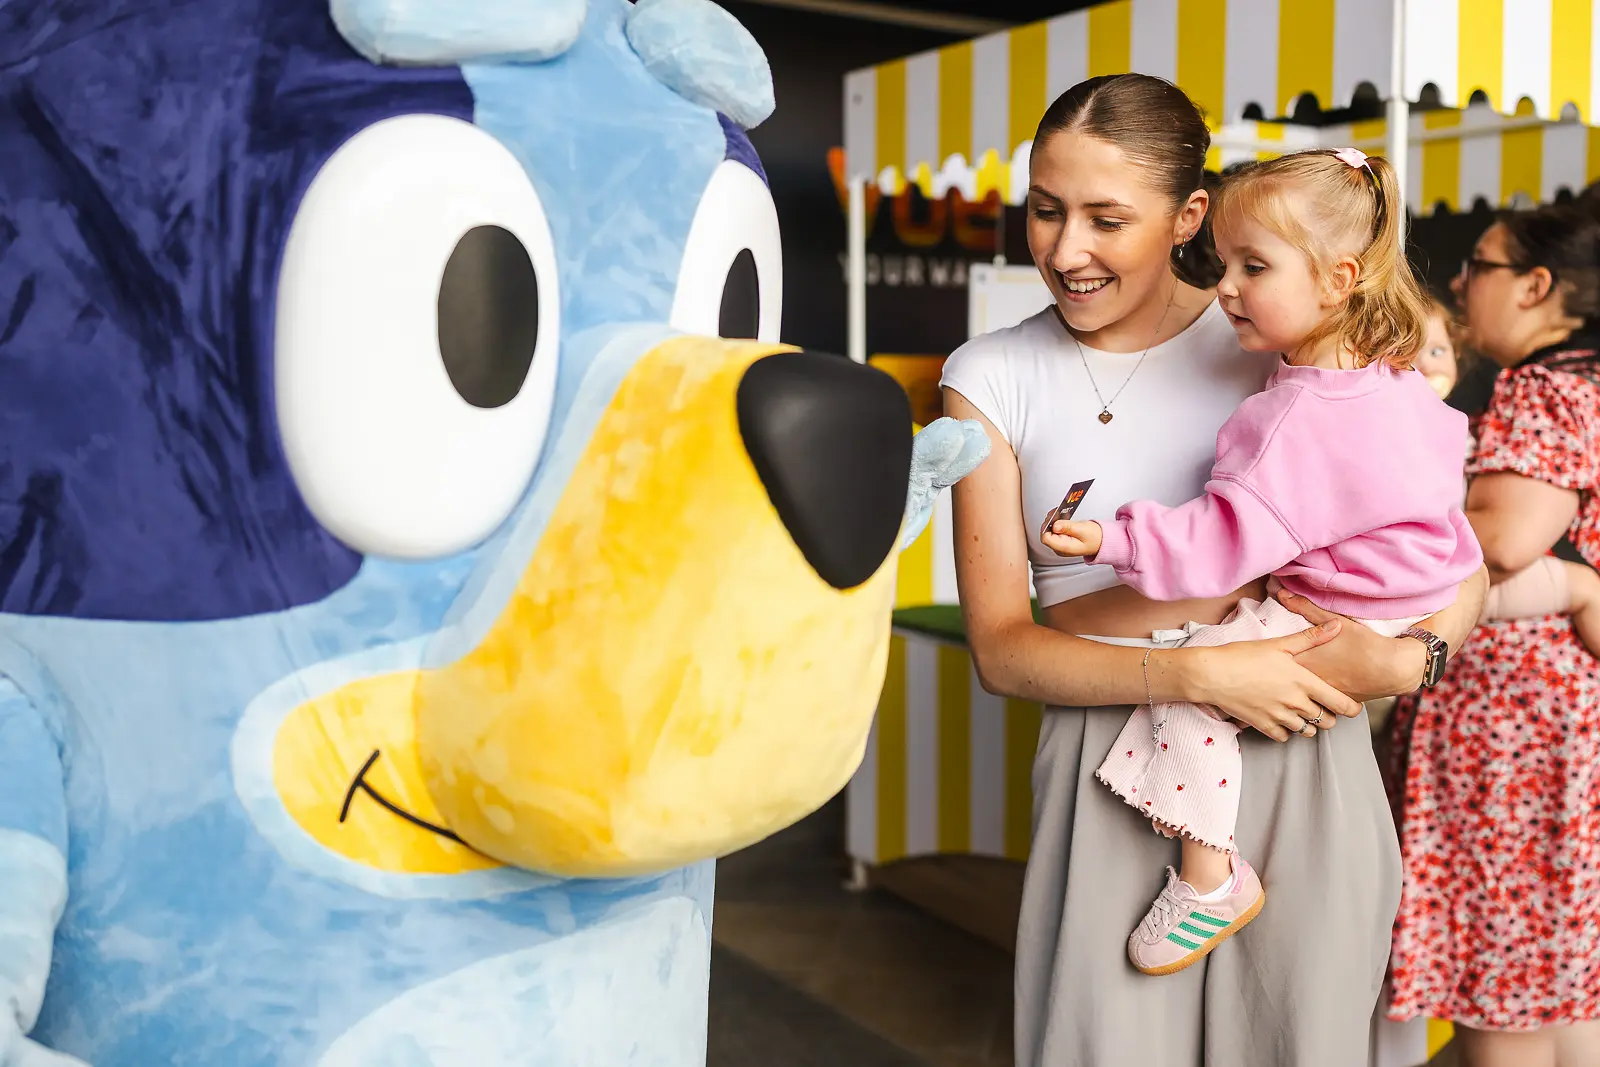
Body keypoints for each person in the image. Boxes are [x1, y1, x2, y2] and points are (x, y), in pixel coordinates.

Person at [939, 72, 1488, 1067]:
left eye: (1108, 218)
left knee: (1297, 1042)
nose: (1066, 249)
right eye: (1046, 210)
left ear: (1187, 215)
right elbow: (1003, 650)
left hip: (1303, 741)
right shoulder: (990, 375)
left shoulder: (1278, 340)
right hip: (1118, 757)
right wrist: (1199, 670)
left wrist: (1411, 660)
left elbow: (1455, 556)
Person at [1038, 147, 1482, 978]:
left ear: (1338, 279)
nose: (1228, 288)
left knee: (1189, 691)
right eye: (1225, 263)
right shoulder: (1397, 382)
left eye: (1254, 266)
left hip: (1337, 611)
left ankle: (1210, 879)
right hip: (1418, 595)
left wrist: (1114, 539)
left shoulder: (1287, 418)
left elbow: (1215, 545)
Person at [1387, 203, 1600, 1067]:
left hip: (1514, 727)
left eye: (1480, 264)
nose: (1461, 280)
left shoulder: (1545, 387)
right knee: (1558, 970)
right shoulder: (1586, 382)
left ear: (1537, 286)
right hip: (1560, 716)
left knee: (1502, 977)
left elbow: (1506, 538)